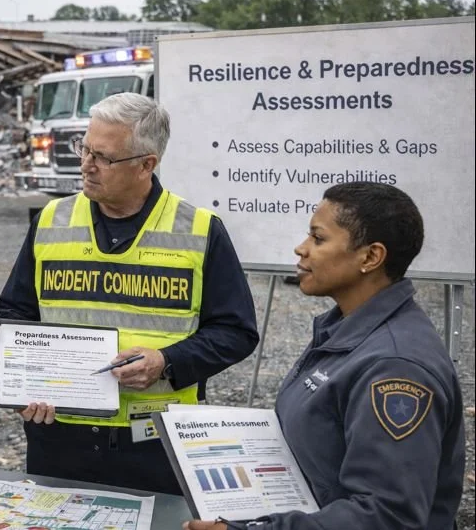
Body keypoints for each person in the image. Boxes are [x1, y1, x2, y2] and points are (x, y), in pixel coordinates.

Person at [0, 92, 259, 494]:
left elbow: (236, 332)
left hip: (156, 444)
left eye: (102, 156)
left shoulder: (199, 231)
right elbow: (15, 311)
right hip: (60, 439)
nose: (86, 164)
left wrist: (167, 361)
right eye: (83, 148)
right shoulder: (52, 220)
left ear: (146, 165)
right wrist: (21, 380)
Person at [184, 182, 466, 530]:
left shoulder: (395, 367)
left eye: (318, 239)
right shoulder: (346, 328)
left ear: (370, 257)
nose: (301, 249)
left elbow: (388, 516)